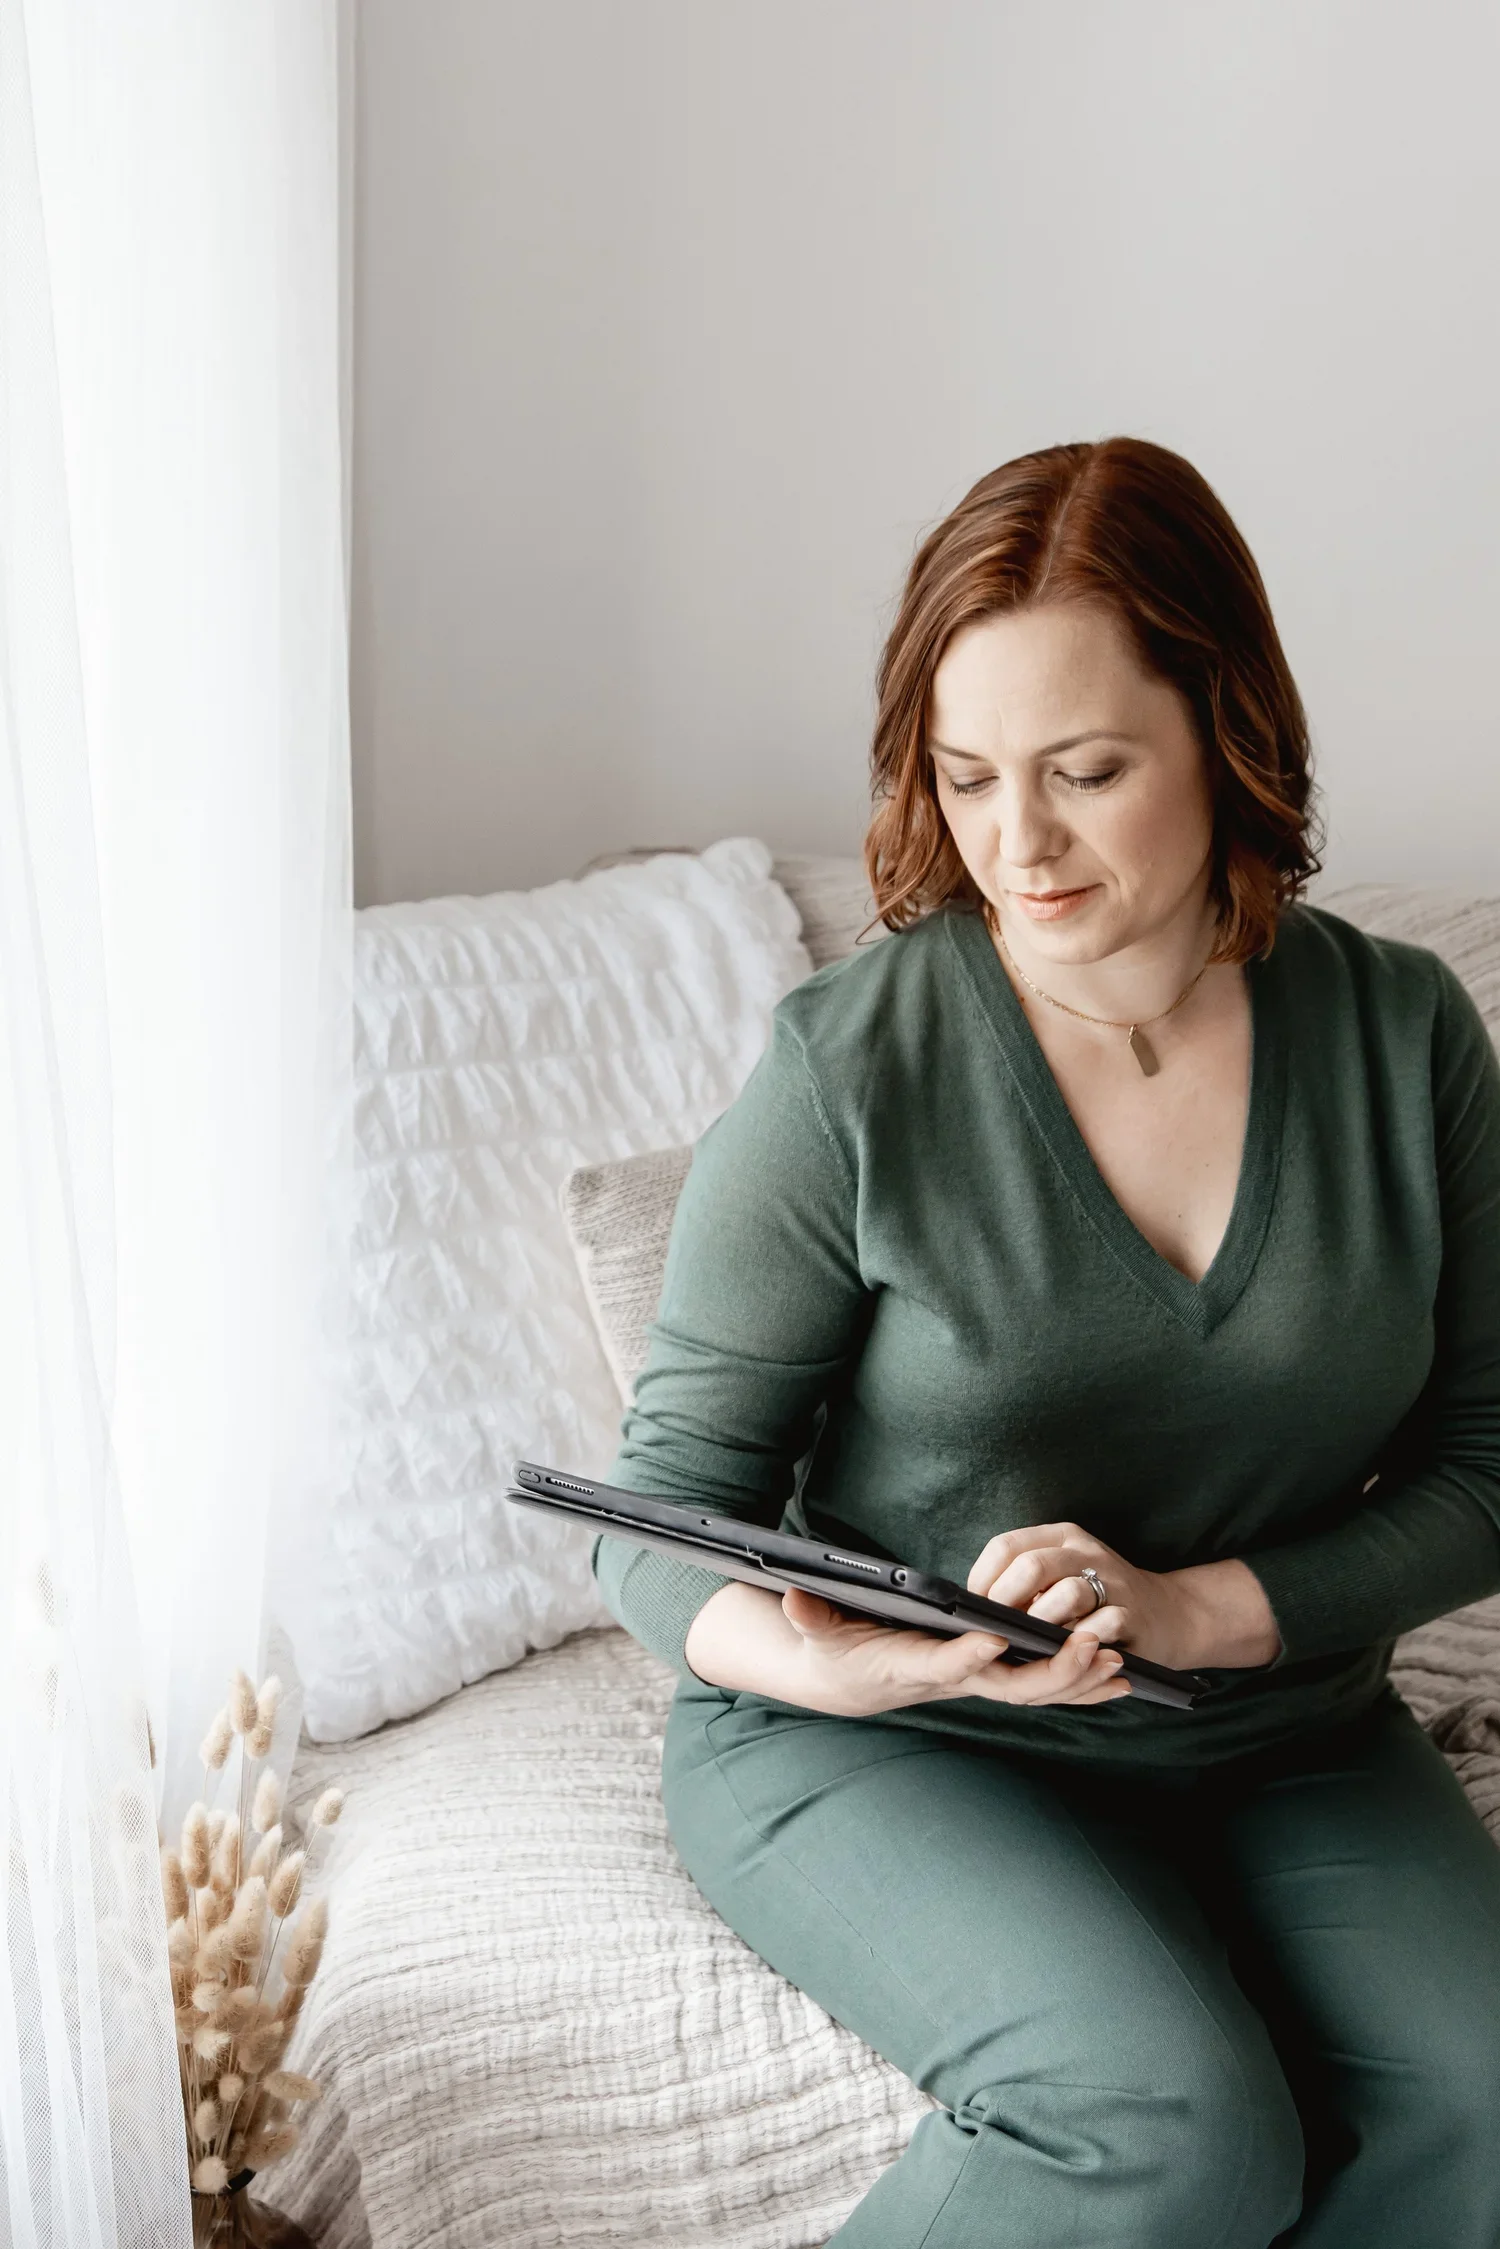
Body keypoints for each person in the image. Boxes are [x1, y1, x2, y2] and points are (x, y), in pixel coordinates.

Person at [590, 437, 1500, 2248]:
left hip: (1279, 1728)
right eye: (971, 775)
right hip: (892, 1746)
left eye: (1088, 771)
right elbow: (658, 1515)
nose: (1020, 844)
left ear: (1227, 735)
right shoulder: (850, 1070)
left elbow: (1489, 1469)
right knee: (1170, 2123)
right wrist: (846, 1667)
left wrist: (1196, 1612)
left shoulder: (1408, 1040)